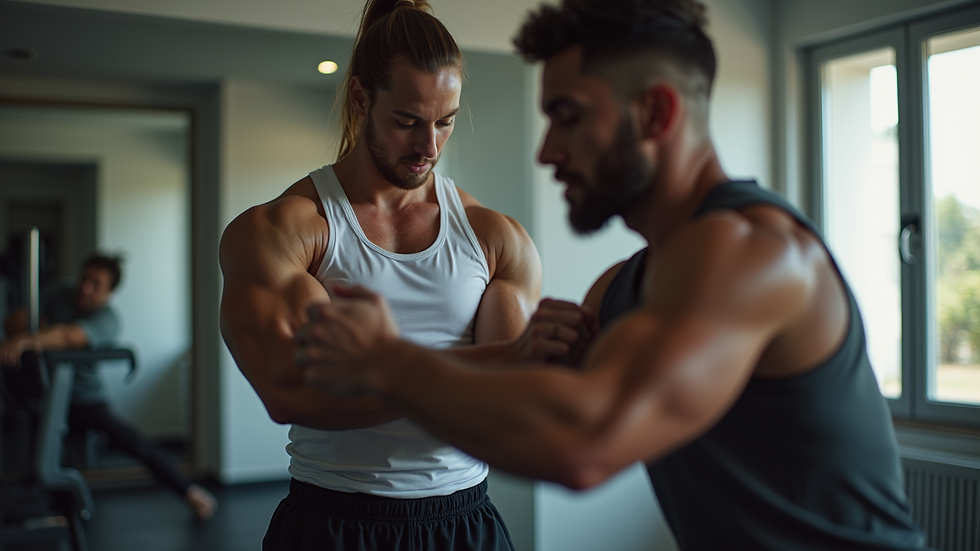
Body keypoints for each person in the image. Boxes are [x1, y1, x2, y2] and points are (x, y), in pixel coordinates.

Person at [291, 0, 934, 549]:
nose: (547, 151)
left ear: (655, 114)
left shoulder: (753, 253)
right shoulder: (625, 286)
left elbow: (583, 445)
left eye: (568, 116)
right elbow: (531, 410)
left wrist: (385, 361)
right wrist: (516, 357)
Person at [217, 0, 542, 549]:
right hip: (333, 521)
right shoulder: (288, 231)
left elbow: (507, 406)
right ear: (362, 97)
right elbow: (290, 393)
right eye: (408, 122)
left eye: (445, 122)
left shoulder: (494, 238)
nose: (429, 147)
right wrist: (478, 366)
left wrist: (386, 370)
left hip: (464, 521)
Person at [0, 252, 217, 521]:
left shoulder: (108, 319)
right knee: (42, 460)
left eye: (96, 284)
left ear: (110, 292)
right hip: (47, 396)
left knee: (137, 445)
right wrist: (27, 329)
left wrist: (30, 339)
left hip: (86, 399)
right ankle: (53, 512)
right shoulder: (59, 293)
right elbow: (12, 322)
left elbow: (70, 336)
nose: (85, 288)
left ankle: (191, 493)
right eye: (84, 278)